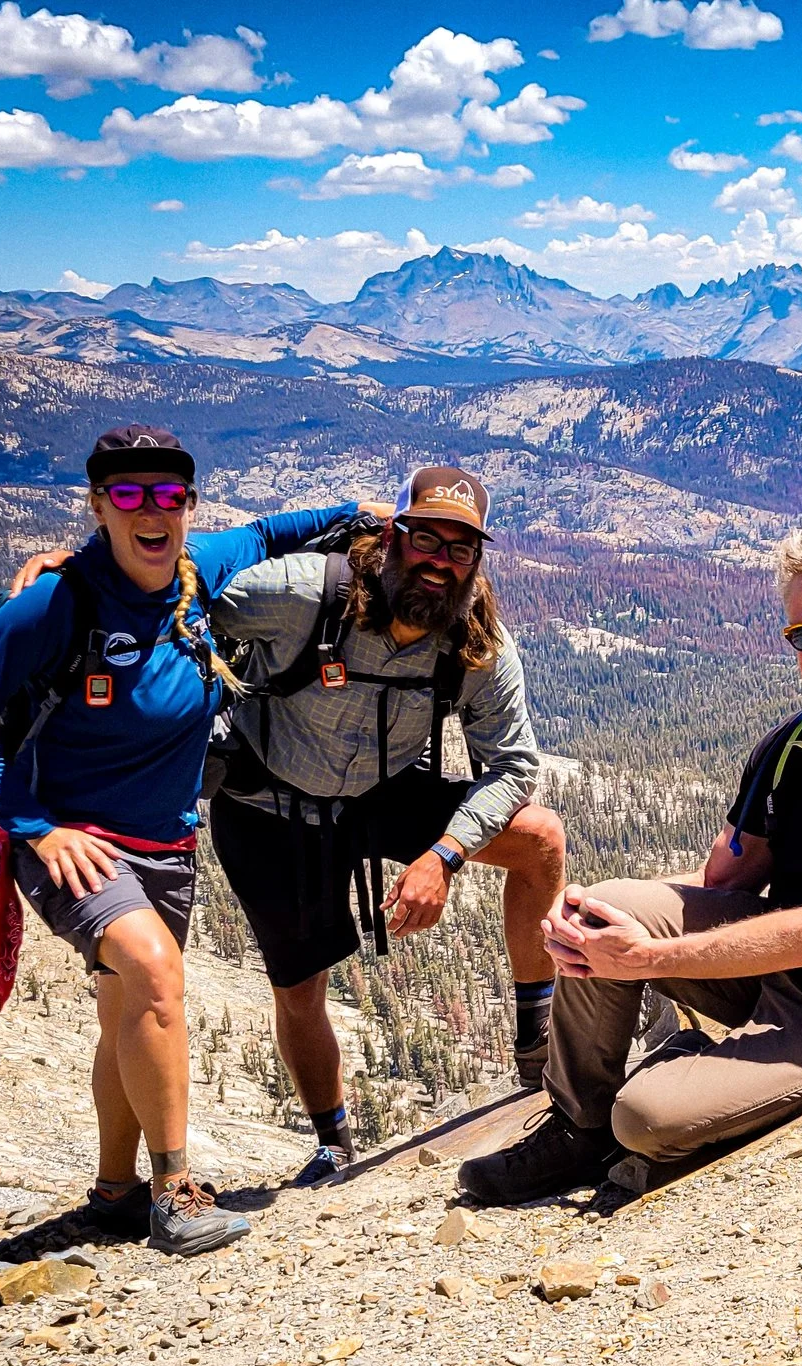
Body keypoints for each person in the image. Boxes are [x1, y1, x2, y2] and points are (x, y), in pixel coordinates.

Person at [458, 527, 802, 1205]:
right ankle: (575, 1125)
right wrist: (592, 931)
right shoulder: (790, 747)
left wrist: (646, 960)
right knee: (597, 907)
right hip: (782, 967)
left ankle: (658, 1096)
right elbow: (722, 884)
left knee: (646, 1119)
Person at [0, 425, 364, 1253]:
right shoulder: (56, 602)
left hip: (166, 844)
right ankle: (174, 1192)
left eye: (168, 494)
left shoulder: (199, 571)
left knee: (127, 1010)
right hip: (79, 844)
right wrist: (34, 828)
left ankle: (115, 1191)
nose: (150, 510)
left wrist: (360, 512)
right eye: (126, 494)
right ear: (97, 505)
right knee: (159, 976)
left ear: (188, 504)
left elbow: (275, 532)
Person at [203, 466, 562, 1183]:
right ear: (394, 536)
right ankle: (334, 1145)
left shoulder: (475, 640)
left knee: (540, 839)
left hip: (379, 794)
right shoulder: (308, 594)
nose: (440, 562)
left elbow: (515, 766)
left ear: (476, 563)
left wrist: (446, 854)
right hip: (272, 806)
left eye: (460, 550)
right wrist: (72, 583)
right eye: (426, 539)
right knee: (300, 990)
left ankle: (540, 1049)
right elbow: (186, 598)